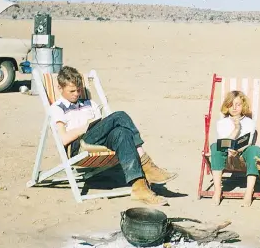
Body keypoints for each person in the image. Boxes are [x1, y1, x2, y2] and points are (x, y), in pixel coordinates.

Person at [51, 66, 178, 206]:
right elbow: (63, 139)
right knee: (120, 115)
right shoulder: (57, 108)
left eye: (79, 90)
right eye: (72, 91)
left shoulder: (89, 103)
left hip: (97, 139)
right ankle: (145, 163)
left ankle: (139, 188)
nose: (77, 94)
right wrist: (83, 129)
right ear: (60, 88)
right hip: (79, 145)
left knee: (122, 133)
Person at [210, 90, 260, 207]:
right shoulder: (221, 123)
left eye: (238, 104)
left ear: (243, 106)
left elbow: (248, 142)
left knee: (255, 150)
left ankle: (249, 192)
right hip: (225, 153)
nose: (234, 108)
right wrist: (236, 129)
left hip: (243, 153)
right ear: (226, 106)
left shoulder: (250, 123)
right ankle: (217, 189)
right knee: (215, 147)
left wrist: (237, 150)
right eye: (231, 104)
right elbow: (223, 143)